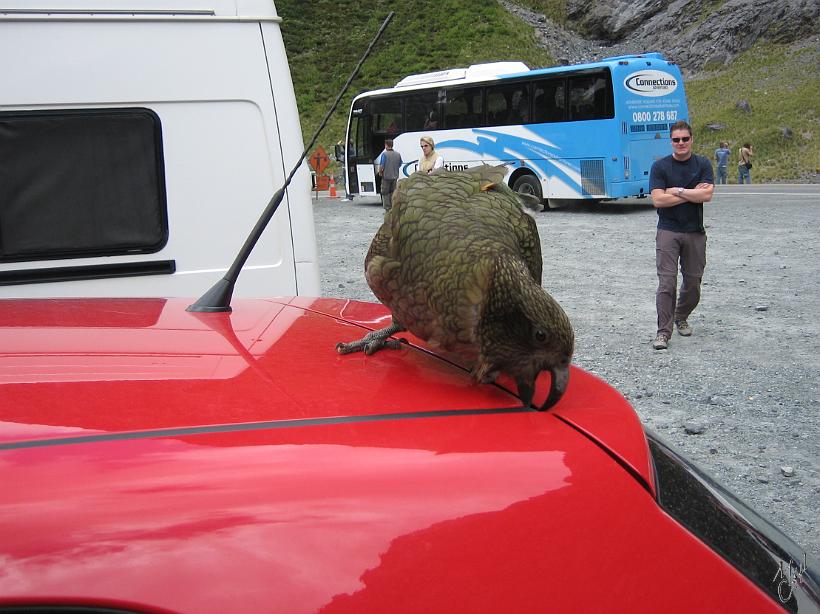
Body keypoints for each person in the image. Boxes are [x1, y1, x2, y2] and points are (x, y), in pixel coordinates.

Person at [648, 120, 714, 350]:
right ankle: (663, 332)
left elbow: (706, 196)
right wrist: (692, 192)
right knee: (667, 283)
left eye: (685, 138)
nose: (681, 143)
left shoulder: (703, 164)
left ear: (691, 139)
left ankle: (680, 315)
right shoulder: (660, 167)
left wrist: (676, 191)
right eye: (676, 139)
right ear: (671, 141)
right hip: (668, 231)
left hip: (695, 232)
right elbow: (657, 200)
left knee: (693, 283)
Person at [378, 138, 403, 211]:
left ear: (386, 145)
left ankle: (387, 208)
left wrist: (380, 173)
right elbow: (400, 163)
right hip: (395, 176)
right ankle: (393, 207)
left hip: (386, 177)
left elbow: (382, 166)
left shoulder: (384, 154)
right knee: (393, 192)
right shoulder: (398, 154)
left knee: (385, 193)